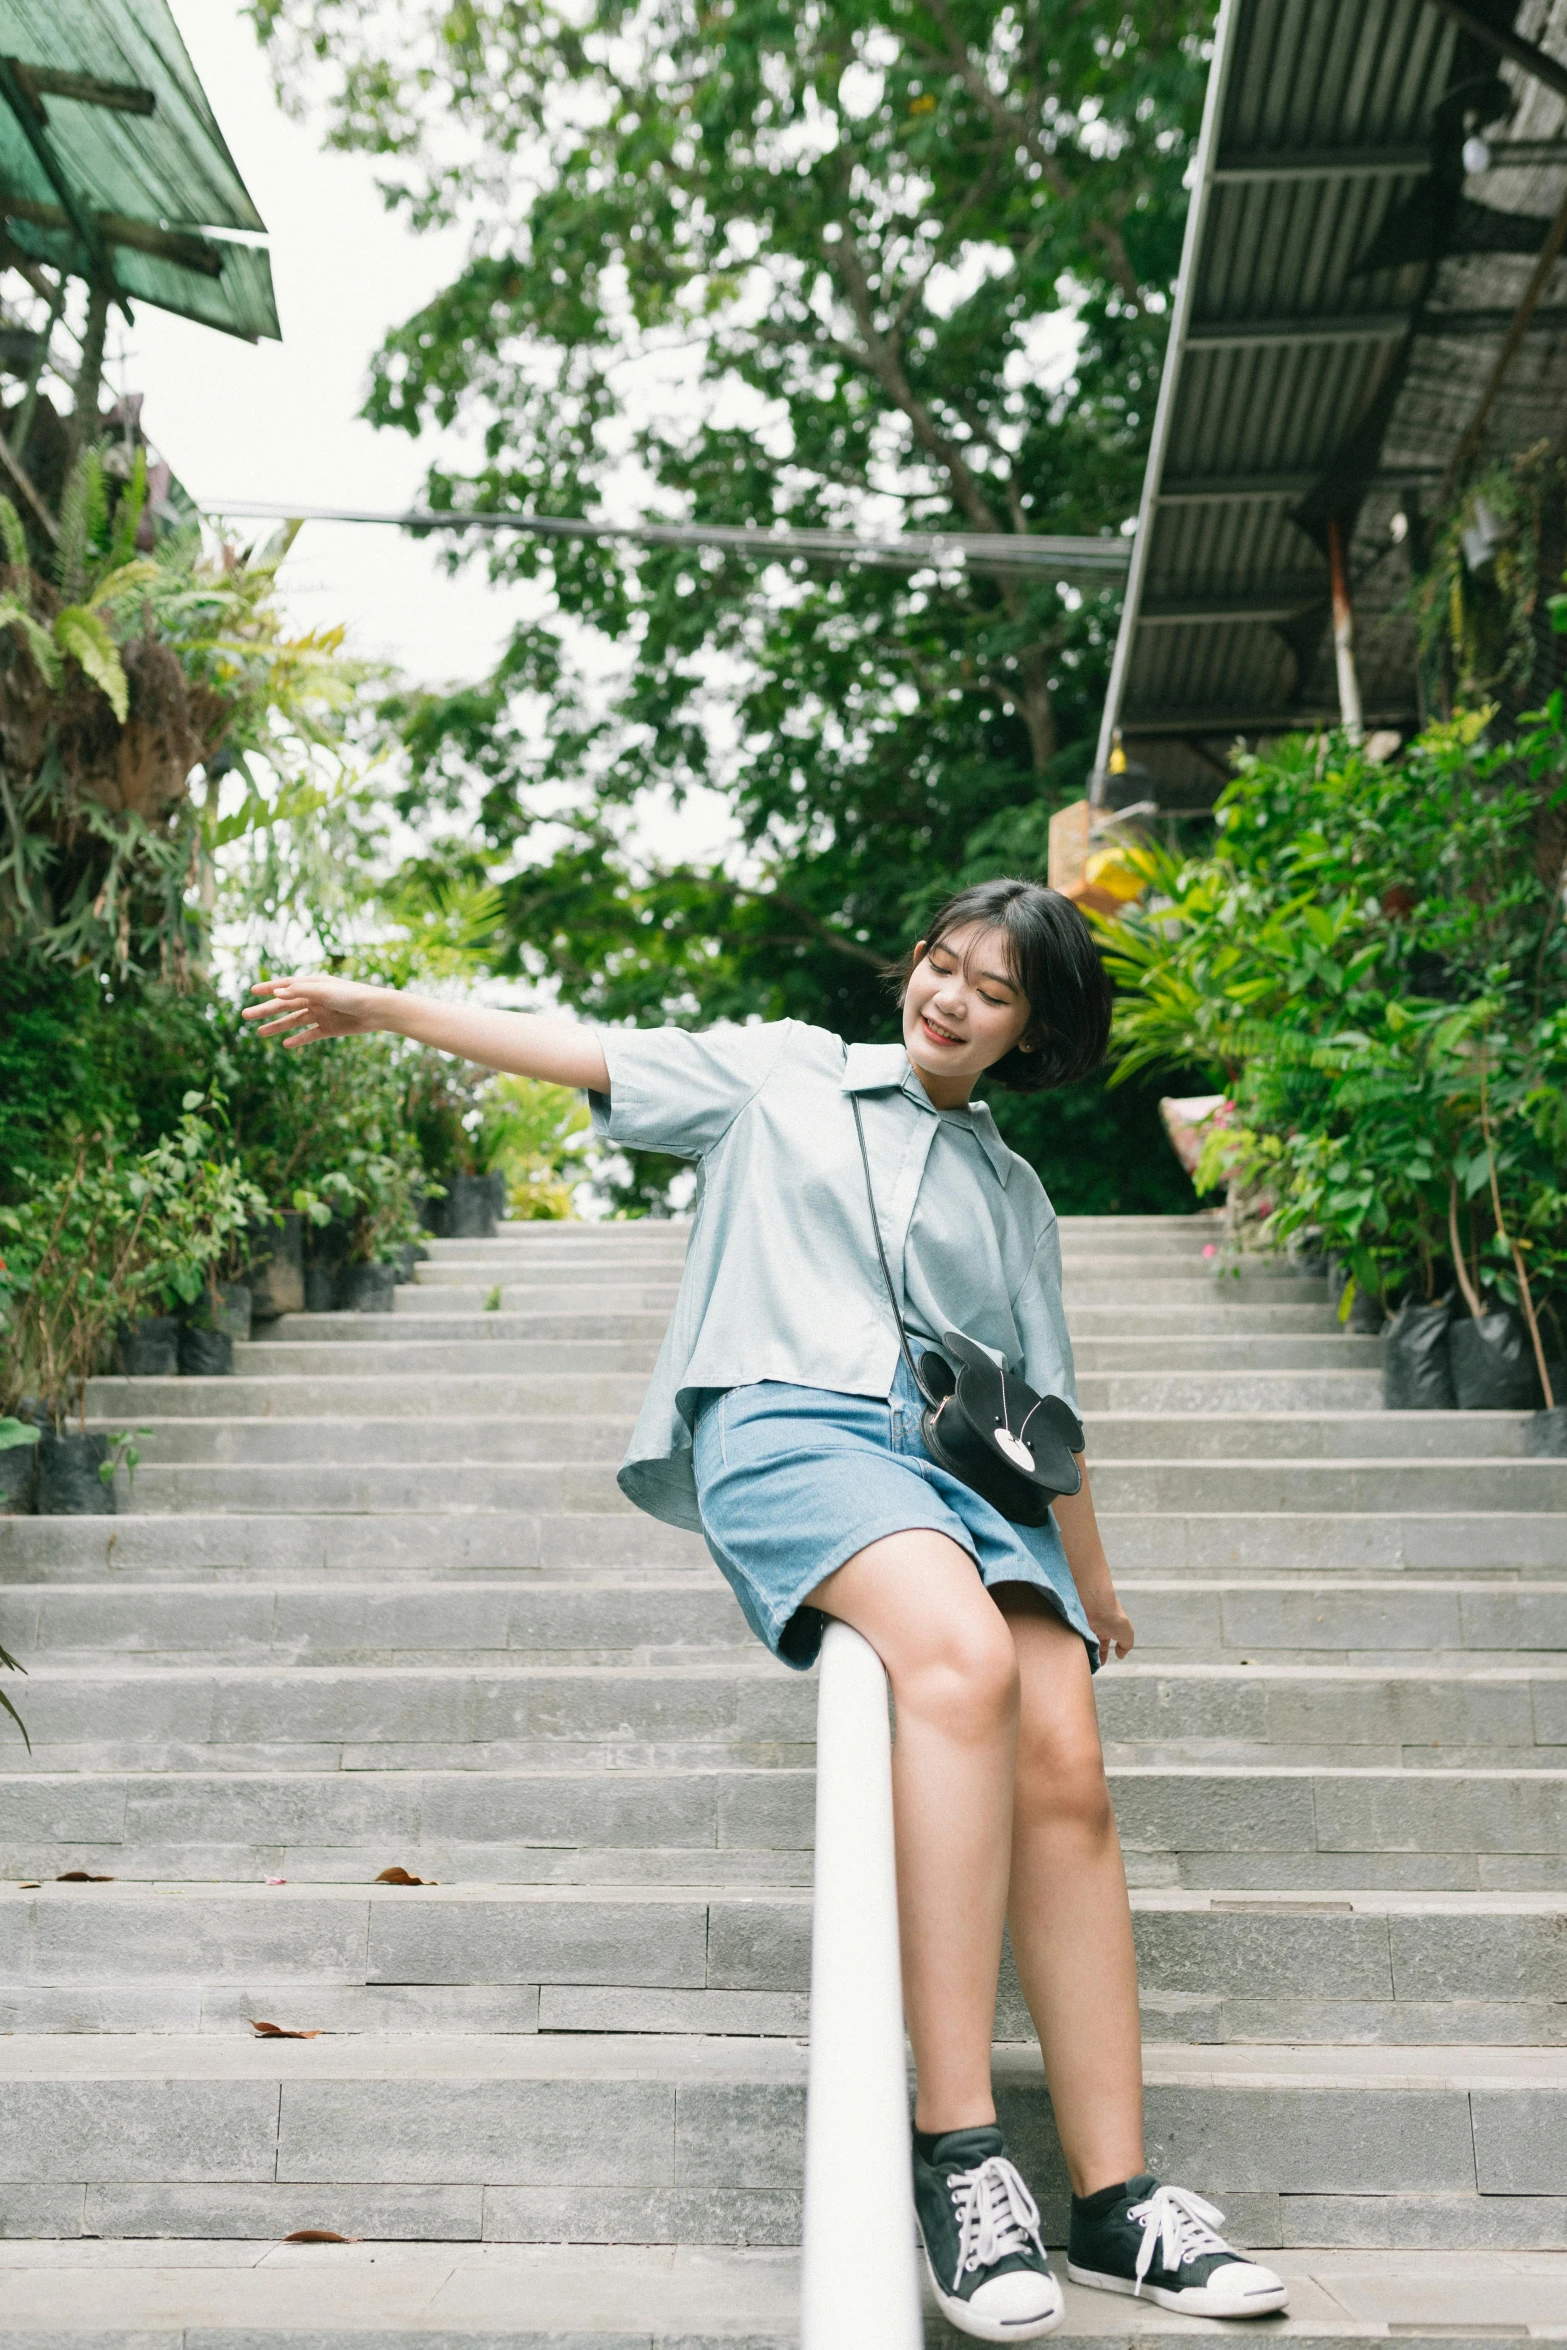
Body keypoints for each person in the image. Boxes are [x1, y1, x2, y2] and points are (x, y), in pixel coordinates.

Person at [246, 877, 1288, 2343]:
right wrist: (376, 1005)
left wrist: (1093, 1579)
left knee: (1067, 1758)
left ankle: (1117, 2201)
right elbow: (579, 1045)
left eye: (991, 990)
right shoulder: (784, 1068)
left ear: (1029, 1028)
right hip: (791, 1429)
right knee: (956, 1658)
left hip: (962, 1474)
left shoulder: (1014, 1193)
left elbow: (1045, 1415)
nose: (948, 997)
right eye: (940, 961)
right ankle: (960, 2151)